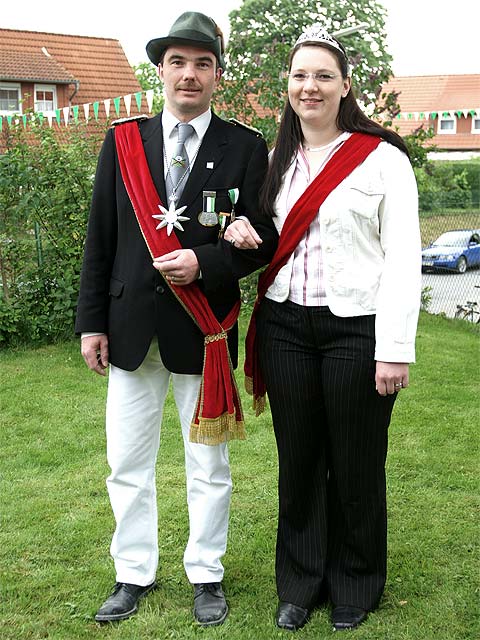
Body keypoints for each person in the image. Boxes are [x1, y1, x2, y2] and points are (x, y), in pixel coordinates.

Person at [75, 11, 277, 627]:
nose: (189, 75)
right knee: (127, 461)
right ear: (160, 70)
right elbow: (101, 237)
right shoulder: (124, 140)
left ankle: (205, 572)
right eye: (178, 62)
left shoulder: (245, 146)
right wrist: (91, 324)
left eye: (203, 63)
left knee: (207, 464)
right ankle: (133, 571)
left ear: (217, 73)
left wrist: (209, 262)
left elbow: (262, 237)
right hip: (131, 327)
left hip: (204, 328)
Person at [225, 23, 421, 633]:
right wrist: (239, 229)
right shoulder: (275, 158)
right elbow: (263, 229)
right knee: (300, 459)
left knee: (356, 460)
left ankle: (356, 583)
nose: (309, 87)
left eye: (322, 76)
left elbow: (404, 259)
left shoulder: (383, 158)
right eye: (299, 75)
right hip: (284, 323)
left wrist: (393, 350)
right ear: (287, 85)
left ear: (344, 85)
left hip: (355, 328)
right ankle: (300, 582)